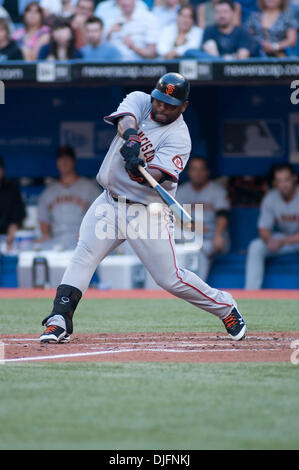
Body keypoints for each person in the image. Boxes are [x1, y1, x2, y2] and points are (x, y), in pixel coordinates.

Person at [39, 72, 246, 345]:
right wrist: (133, 140)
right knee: (83, 256)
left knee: (169, 278)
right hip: (108, 202)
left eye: (170, 105)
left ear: (183, 107)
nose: (161, 108)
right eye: (159, 101)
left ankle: (225, 307)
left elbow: (157, 178)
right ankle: (59, 319)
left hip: (146, 211)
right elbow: (125, 120)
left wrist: (138, 169)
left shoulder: (179, 138)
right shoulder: (141, 99)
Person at [245, 163, 299, 289]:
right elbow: (264, 229)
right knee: (256, 246)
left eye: (287, 180)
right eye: (279, 181)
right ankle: (251, 292)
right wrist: (269, 240)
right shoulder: (271, 197)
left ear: (294, 178)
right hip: (285, 240)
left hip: (290, 240)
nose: (284, 184)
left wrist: (283, 241)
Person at [176, 157, 231, 282]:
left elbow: (223, 214)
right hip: (189, 234)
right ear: (189, 172)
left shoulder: (217, 191)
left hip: (212, 236)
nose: (198, 173)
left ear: (207, 172)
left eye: (201, 169)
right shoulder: (181, 191)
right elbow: (175, 218)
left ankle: (198, 289)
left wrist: (218, 235)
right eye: (194, 169)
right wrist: (194, 226)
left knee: (200, 248)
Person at [36, 146, 100, 251]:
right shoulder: (48, 192)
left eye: (67, 158)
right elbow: (43, 220)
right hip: (55, 243)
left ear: (74, 161)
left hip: (84, 243)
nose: (64, 162)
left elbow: (101, 216)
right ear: (57, 162)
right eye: (61, 159)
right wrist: (45, 235)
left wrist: (90, 234)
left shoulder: (90, 188)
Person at [186, 0, 252, 59]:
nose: (222, 15)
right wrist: (223, 60)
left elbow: (243, 55)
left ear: (232, 13)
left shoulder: (242, 32)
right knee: (195, 50)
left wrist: (230, 59)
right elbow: (208, 50)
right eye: (218, 12)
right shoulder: (209, 30)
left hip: (235, 69)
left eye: (225, 12)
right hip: (214, 68)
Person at [0, 156, 26, 252]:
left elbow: (18, 215)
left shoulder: (11, 189)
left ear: (2, 171)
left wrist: (10, 239)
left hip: (8, 241)